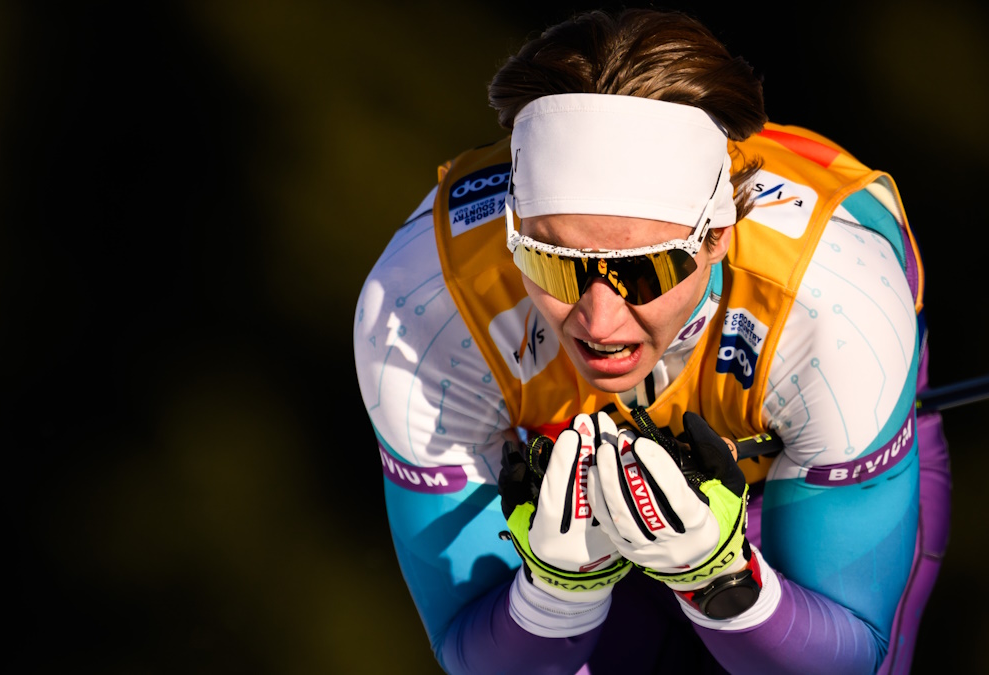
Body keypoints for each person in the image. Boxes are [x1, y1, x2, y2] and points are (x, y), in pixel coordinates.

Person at [353, 7, 950, 674]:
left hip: (790, 484)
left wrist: (720, 578)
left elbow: (849, 659)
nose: (600, 322)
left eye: (645, 272)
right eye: (554, 265)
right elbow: (475, 656)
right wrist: (555, 593)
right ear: (514, 232)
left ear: (717, 236)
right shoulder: (424, 300)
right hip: (569, 513)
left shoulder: (835, 301)